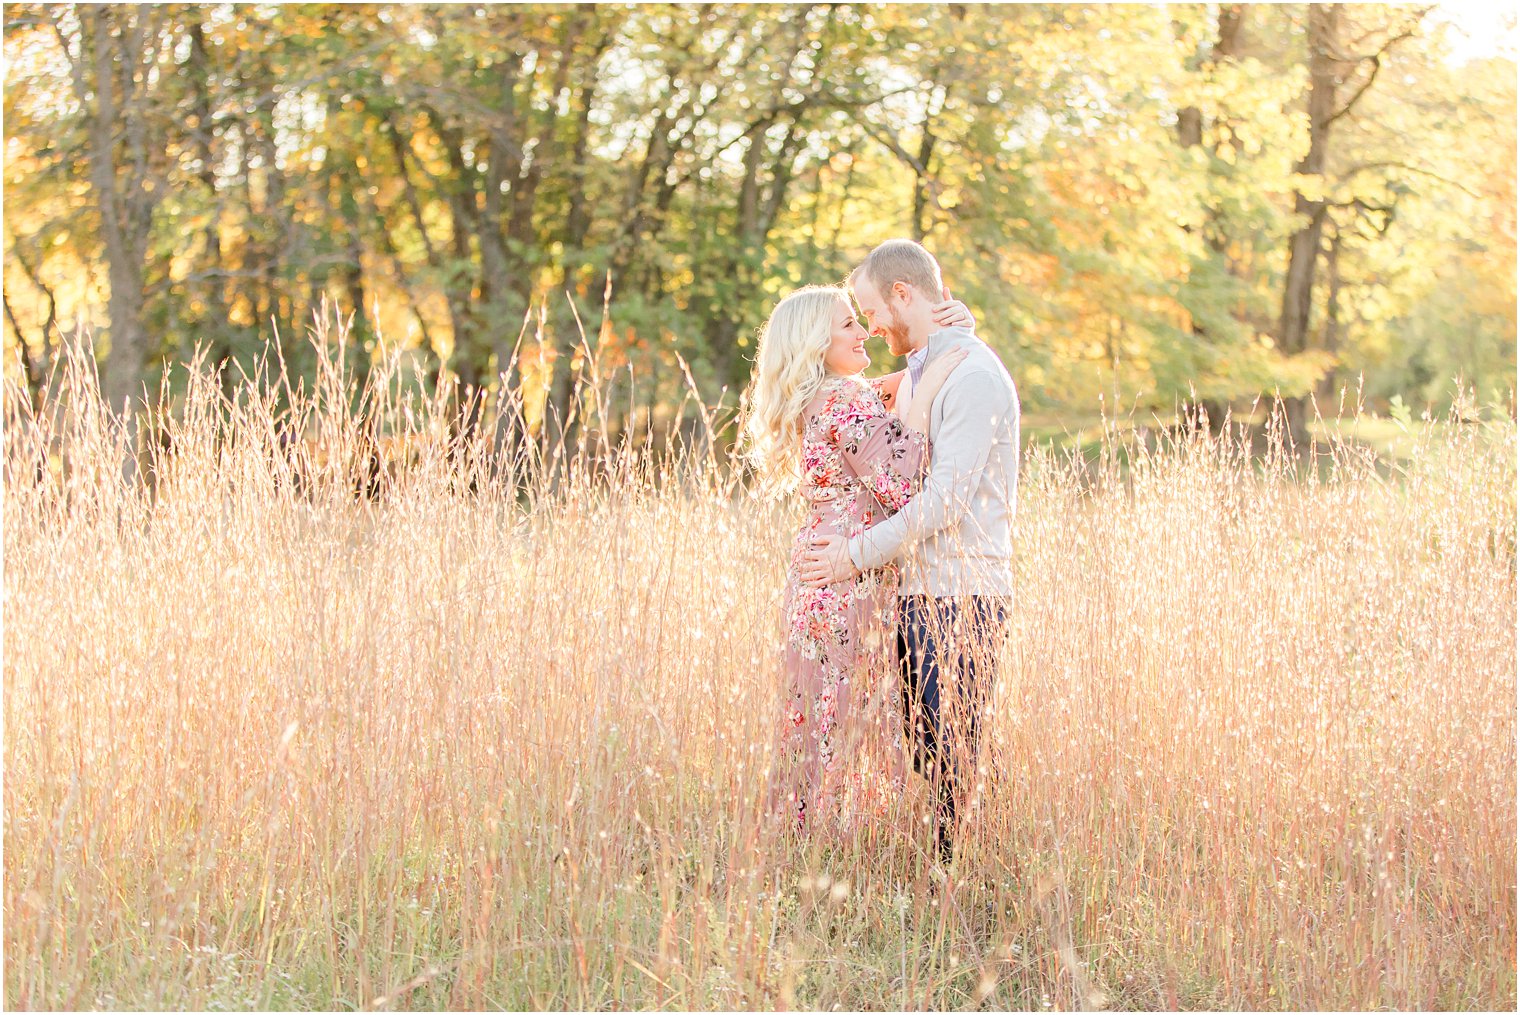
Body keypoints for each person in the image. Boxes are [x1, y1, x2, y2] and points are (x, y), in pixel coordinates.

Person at [798, 239, 1020, 866]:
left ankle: (966, 883)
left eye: (870, 310)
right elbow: (869, 408)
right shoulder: (927, 364)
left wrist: (852, 555)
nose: (868, 326)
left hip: (963, 593)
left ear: (903, 295)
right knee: (927, 748)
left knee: (956, 751)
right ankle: (941, 877)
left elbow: (946, 500)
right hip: (920, 591)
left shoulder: (973, 377)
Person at [741, 284, 972, 841]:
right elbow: (904, 478)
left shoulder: (822, 396)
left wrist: (949, 335)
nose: (863, 331)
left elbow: (876, 399)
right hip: (848, 582)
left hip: (816, 578)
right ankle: (841, 851)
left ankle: (803, 843)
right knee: (847, 715)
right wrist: (931, 384)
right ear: (816, 342)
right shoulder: (845, 401)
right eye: (848, 324)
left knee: (816, 713)